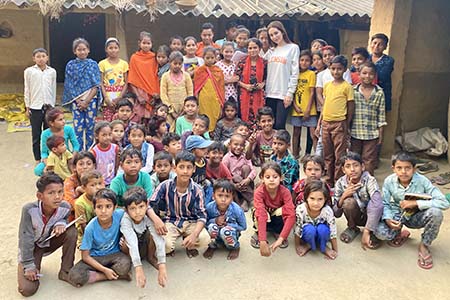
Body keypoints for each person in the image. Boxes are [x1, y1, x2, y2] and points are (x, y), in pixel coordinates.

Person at [374, 152, 449, 269]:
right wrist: (388, 219)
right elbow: (385, 203)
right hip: (397, 216)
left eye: (407, 168)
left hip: (416, 216)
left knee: (436, 213)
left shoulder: (422, 181)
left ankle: (424, 245)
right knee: (380, 233)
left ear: (414, 169)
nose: (403, 172)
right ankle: (398, 233)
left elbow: (444, 202)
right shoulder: (389, 181)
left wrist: (416, 203)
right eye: (399, 168)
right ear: (393, 169)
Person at [17, 173, 77, 297]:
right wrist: (28, 265)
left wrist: (61, 223)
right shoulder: (29, 210)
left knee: (71, 231)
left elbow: (65, 218)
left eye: (60, 192)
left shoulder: (65, 207)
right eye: (51, 193)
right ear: (40, 196)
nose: (57, 197)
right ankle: (31, 264)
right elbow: (25, 238)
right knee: (27, 289)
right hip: (32, 248)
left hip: (49, 241)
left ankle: (66, 271)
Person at [148, 151, 211, 257]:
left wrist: (194, 235)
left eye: (189, 167)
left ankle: (189, 243)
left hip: (191, 221)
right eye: (181, 167)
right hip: (171, 221)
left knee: (205, 239)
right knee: (165, 246)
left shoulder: (198, 189)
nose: (185, 171)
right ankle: (173, 245)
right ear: (174, 168)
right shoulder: (165, 185)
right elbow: (149, 204)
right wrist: (156, 219)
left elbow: (202, 216)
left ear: (194, 169)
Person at [68, 188, 131, 286]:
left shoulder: (120, 215)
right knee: (74, 276)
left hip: (115, 254)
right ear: (94, 208)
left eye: (108, 206)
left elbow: (133, 213)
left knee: (125, 265)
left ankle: (111, 273)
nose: (103, 211)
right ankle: (108, 275)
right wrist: (105, 270)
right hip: (96, 257)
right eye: (99, 207)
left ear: (115, 208)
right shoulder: (90, 228)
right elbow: (85, 256)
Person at [317, 55, 354, 185]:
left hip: (339, 124)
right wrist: (319, 124)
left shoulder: (347, 87)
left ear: (344, 69)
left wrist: (346, 125)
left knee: (340, 155)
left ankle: (338, 180)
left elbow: (350, 107)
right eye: (333, 68)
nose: (335, 72)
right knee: (327, 154)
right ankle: (329, 178)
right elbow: (325, 105)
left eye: (339, 69)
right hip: (326, 123)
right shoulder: (327, 85)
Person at [333, 152, 383, 249]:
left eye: (356, 165)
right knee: (348, 203)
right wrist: (344, 196)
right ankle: (352, 228)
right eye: (348, 166)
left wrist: (367, 230)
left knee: (375, 204)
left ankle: (371, 231)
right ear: (343, 170)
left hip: (371, 217)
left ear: (362, 167)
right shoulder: (340, 183)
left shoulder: (370, 180)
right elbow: (336, 213)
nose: (352, 169)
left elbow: (377, 205)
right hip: (356, 216)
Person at [120, 187, 167, 288]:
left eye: (141, 207)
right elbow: (132, 243)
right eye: (132, 208)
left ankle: (150, 257)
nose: (138, 212)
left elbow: (159, 239)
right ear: (126, 210)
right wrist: (138, 268)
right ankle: (131, 262)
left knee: (155, 233)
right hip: (132, 245)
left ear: (147, 206)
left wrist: (162, 265)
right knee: (124, 243)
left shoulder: (148, 217)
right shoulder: (125, 220)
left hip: (144, 242)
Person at [62, 38, 101, 151]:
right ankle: (78, 153)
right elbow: (69, 85)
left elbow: (96, 85)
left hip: (91, 101)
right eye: (79, 50)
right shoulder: (70, 65)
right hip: (76, 102)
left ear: (88, 50)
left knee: (90, 128)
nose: (82, 52)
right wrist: (79, 101)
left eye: (84, 49)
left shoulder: (93, 64)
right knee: (77, 129)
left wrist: (87, 101)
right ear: (74, 51)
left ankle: (90, 152)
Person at [251, 162, 296, 256]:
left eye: (275, 177)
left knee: (285, 211)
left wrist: (281, 239)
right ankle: (258, 232)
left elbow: (291, 215)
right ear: (262, 178)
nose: (271, 180)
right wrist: (262, 240)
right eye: (267, 177)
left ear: (281, 178)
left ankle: (277, 231)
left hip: (276, 214)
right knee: (258, 212)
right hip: (264, 214)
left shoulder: (285, 192)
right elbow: (261, 214)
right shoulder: (259, 192)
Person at [350, 62, 386, 175]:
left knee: (369, 159)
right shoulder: (353, 91)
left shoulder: (379, 92)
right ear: (359, 75)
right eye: (364, 73)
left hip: (372, 134)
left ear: (375, 75)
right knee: (354, 159)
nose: (367, 76)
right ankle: (354, 181)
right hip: (355, 132)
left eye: (371, 74)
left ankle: (368, 183)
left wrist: (380, 134)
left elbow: (381, 114)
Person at [264, 21, 300, 130]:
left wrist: (290, 93)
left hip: (283, 94)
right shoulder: (271, 51)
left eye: (276, 33)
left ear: (282, 32)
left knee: (280, 125)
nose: (274, 37)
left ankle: (282, 147)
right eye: (271, 35)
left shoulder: (293, 48)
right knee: (269, 126)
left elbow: (294, 72)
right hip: (269, 93)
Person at [24, 48, 56, 164]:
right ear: (34, 58)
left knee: (48, 134)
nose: (41, 58)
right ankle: (38, 159)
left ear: (47, 58)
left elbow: (53, 89)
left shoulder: (52, 71)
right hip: (35, 107)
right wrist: (27, 107)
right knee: (36, 135)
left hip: (48, 108)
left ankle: (48, 157)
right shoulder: (29, 71)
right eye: (38, 56)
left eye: (43, 56)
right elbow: (27, 89)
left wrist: (52, 107)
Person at [203, 179, 247, 260]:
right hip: (216, 232)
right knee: (212, 227)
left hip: (230, 233)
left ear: (232, 198)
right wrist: (215, 221)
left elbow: (243, 226)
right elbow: (204, 222)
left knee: (226, 231)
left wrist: (229, 225)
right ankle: (214, 244)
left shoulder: (237, 210)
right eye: (220, 195)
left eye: (227, 196)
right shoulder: (209, 207)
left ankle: (234, 247)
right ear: (213, 196)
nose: (223, 199)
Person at [294, 180, 338, 260]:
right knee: (310, 230)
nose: (316, 203)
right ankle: (309, 244)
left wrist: (335, 250)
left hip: (322, 232)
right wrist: (297, 246)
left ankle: (323, 246)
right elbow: (298, 228)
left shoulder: (327, 210)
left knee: (323, 229)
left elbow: (333, 230)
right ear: (306, 198)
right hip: (307, 232)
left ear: (325, 199)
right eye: (312, 198)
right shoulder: (301, 209)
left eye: (320, 199)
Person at [34, 107, 79, 176]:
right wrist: (49, 164)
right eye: (60, 120)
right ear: (51, 123)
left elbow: (76, 146)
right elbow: (44, 153)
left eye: (64, 119)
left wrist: (72, 158)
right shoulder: (45, 134)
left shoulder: (68, 129)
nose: (64, 121)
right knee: (38, 170)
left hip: (66, 156)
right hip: (52, 159)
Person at [128, 31, 159, 123]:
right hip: (139, 92)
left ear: (152, 44)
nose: (146, 45)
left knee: (152, 120)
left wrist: (156, 94)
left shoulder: (155, 57)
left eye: (148, 43)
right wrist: (138, 96)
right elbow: (132, 79)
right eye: (144, 43)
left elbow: (156, 76)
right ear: (139, 43)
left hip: (152, 94)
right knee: (139, 118)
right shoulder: (134, 57)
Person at [291, 50, 317, 158]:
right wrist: (295, 106)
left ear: (310, 62)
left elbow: (312, 93)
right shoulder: (294, 74)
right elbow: (291, 91)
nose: (304, 62)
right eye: (301, 60)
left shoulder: (311, 74)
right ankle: (295, 154)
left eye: (307, 60)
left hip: (309, 109)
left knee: (312, 134)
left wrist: (307, 109)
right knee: (296, 132)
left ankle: (310, 155)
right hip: (296, 109)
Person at [194, 46, 225, 132]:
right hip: (203, 99)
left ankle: (212, 135)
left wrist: (221, 101)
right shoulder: (199, 71)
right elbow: (196, 88)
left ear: (216, 58)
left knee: (214, 117)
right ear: (203, 58)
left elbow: (221, 87)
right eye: (207, 58)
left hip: (215, 99)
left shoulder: (218, 71)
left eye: (212, 58)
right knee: (204, 118)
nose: (210, 60)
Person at [236, 38, 267, 124]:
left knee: (259, 116)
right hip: (245, 94)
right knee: (245, 118)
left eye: (255, 48)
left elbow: (267, 78)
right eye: (250, 48)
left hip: (259, 95)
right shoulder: (242, 62)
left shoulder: (264, 63)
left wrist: (262, 84)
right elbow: (236, 79)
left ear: (259, 49)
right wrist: (245, 86)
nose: (252, 50)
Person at [222, 134, 256, 211]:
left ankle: (247, 199)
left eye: (241, 145)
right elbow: (224, 176)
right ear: (230, 145)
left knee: (246, 168)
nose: (238, 147)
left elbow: (253, 170)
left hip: (246, 183)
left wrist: (248, 179)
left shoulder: (245, 156)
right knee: (235, 177)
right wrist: (234, 185)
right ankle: (247, 199)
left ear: (244, 147)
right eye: (235, 144)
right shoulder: (226, 159)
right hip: (234, 186)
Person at [98, 37, 129, 122]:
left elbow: (126, 82)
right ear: (106, 49)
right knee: (108, 122)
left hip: (120, 95)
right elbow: (101, 82)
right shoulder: (102, 64)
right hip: (107, 96)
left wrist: (120, 97)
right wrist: (106, 98)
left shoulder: (124, 64)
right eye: (110, 48)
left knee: (120, 121)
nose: (113, 50)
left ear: (119, 49)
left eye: (115, 48)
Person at [160, 51, 194, 128]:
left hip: (185, 109)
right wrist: (171, 111)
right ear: (169, 63)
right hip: (169, 110)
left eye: (179, 64)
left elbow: (190, 93)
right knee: (170, 129)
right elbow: (163, 94)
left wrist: (185, 109)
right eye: (175, 64)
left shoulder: (186, 76)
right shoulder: (165, 76)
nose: (177, 66)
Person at [75, 170, 105, 246]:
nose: (98, 187)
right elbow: (83, 225)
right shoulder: (80, 203)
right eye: (93, 185)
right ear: (84, 188)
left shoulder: (105, 198)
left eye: (100, 183)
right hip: (86, 234)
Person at [64, 151, 96, 220]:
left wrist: (82, 191)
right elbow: (70, 204)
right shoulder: (69, 182)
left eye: (88, 164)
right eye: (81, 164)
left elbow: (102, 198)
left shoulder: (97, 179)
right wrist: (87, 194)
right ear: (75, 167)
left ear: (94, 166)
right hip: (75, 218)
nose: (85, 167)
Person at [185, 135, 214, 205]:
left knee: (209, 185)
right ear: (193, 150)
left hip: (202, 187)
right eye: (202, 148)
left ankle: (205, 205)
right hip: (192, 191)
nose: (206, 150)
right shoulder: (189, 164)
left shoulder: (203, 161)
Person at [370, 33, 394, 111]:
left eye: (380, 44)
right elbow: (354, 70)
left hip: (381, 96)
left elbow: (382, 76)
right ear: (371, 44)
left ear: (385, 47)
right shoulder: (365, 57)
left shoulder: (389, 60)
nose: (376, 46)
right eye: (375, 43)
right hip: (364, 95)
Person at [90, 121, 119, 185]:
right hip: (99, 183)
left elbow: (116, 166)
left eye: (110, 134)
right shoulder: (94, 152)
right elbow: (93, 169)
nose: (108, 137)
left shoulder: (115, 148)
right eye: (104, 135)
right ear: (97, 136)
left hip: (113, 182)